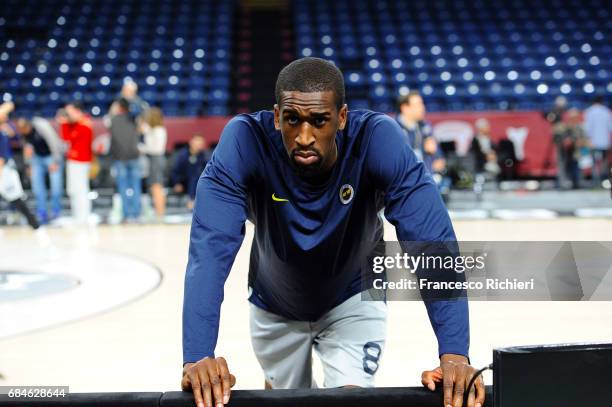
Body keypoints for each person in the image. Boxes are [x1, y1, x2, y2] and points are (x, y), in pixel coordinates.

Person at [181, 58, 483, 407]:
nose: (305, 137)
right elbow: (208, 252)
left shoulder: (376, 140)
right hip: (274, 301)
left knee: (348, 401)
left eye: (319, 121)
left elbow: (432, 245)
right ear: (277, 116)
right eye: (292, 119)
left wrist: (455, 353)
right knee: (283, 399)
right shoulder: (245, 142)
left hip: (352, 297)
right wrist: (197, 355)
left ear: (341, 118)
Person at [0, 102, 42, 231]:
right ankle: (34, 224)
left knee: (16, 197)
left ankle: (35, 224)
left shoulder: (5, 128)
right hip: (3, 167)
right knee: (15, 197)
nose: (6, 117)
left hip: (6, 166)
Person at [16, 117, 65, 223]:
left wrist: (56, 161)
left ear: (27, 126)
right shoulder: (23, 134)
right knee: (37, 186)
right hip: (37, 158)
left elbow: (53, 141)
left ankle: (56, 211)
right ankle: (41, 211)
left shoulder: (41, 126)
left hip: (51, 156)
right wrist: (28, 165)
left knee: (56, 186)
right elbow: (27, 149)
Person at [57, 101, 93, 225]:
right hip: (73, 160)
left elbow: (71, 138)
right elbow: (65, 138)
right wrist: (64, 123)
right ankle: (77, 215)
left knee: (81, 189)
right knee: (73, 190)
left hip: (81, 161)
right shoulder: (75, 124)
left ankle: (83, 216)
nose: (68, 115)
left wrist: (65, 123)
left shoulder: (84, 123)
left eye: (70, 112)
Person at [108, 98, 142, 222]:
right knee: (135, 186)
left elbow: (113, 140)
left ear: (120, 107)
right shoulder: (133, 118)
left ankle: (127, 214)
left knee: (123, 187)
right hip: (133, 156)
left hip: (120, 158)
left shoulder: (113, 120)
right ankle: (136, 213)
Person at [139, 107, 167, 219]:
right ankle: (158, 212)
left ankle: (160, 213)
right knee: (155, 186)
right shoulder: (152, 129)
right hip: (152, 159)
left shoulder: (159, 130)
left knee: (157, 186)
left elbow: (156, 148)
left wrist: (142, 148)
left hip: (156, 158)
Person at [170, 135, 209, 210]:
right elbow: (175, 171)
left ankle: (192, 201)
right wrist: (177, 183)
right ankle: (192, 201)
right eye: (196, 143)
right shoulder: (183, 155)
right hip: (183, 182)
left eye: (200, 144)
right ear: (191, 142)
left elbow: (207, 171)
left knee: (196, 176)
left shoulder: (204, 156)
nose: (198, 145)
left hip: (198, 182)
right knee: (194, 177)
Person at [583, 96, 611, 186]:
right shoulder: (606, 111)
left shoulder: (589, 112)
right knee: (604, 161)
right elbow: (610, 127)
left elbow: (587, 128)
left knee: (594, 161)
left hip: (593, 141)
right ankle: (604, 179)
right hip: (604, 141)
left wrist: (588, 140)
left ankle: (596, 181)